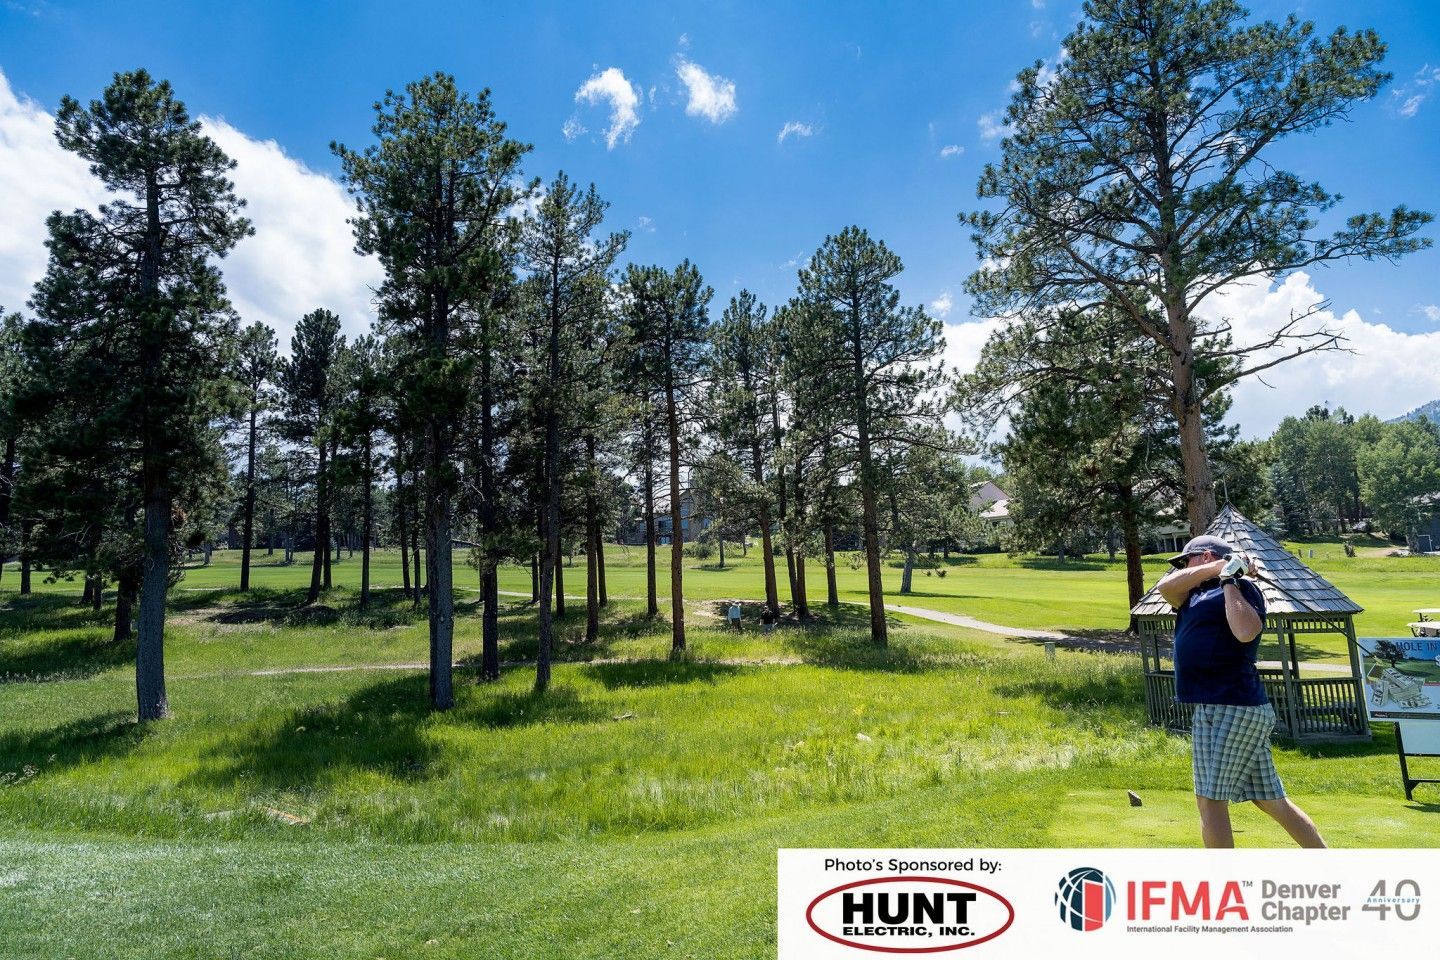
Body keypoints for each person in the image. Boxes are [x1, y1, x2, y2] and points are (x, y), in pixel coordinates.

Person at [1156, 534, 1326, 849]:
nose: (1182, 568)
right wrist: (1223, 566)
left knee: (1209, 801)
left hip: (1229, 705)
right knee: (1272, 801)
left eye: (1185, 561)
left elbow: (1246, 632)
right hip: (1225, 706)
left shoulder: (1242, 589)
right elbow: (1165, 587)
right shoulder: (1190, 594)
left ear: (1204, 556)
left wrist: (1229, 580)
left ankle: (1224, 878)